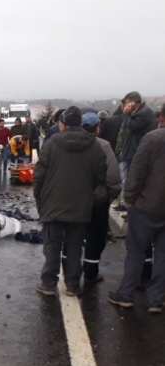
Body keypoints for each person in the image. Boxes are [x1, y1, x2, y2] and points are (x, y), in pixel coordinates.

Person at [34, 106, 107, 297]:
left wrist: (39, 199)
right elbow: (101, 176)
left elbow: (39, 175)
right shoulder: (94, 145)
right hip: (81, 203)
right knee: (75, 246)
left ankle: (49, 283)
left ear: (63, 124)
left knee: (52, 245)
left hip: (52, 202)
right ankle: (73, 285)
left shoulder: (51, 144)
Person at [109, 104, 165, 313]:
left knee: (136, 252)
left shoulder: (153, 139)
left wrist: (130, 199)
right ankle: (156, 300)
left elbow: (137, 172)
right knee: (162, 255)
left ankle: (126, 295)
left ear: (162, 118)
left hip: (146, 205)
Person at [80, 113, 121, 283]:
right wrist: (112, 195)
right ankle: (90, 273)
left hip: (74, 200)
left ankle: (71, 275)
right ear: (97, 127)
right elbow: (112, 175)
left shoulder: (70, 144)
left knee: (74, 237)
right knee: (96, 239)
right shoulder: (103, 146)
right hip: (98, 201)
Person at [113, 92, 157, 212]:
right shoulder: (141, 112)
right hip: (132, 150)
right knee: (127, 178)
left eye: (127, 103)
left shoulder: (144, 113)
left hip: (136, 151)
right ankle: (126, 204)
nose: (125, 106)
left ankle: (129, 206)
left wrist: (126, 114)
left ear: (133, 102)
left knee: (130, 179)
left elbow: (132, 126)